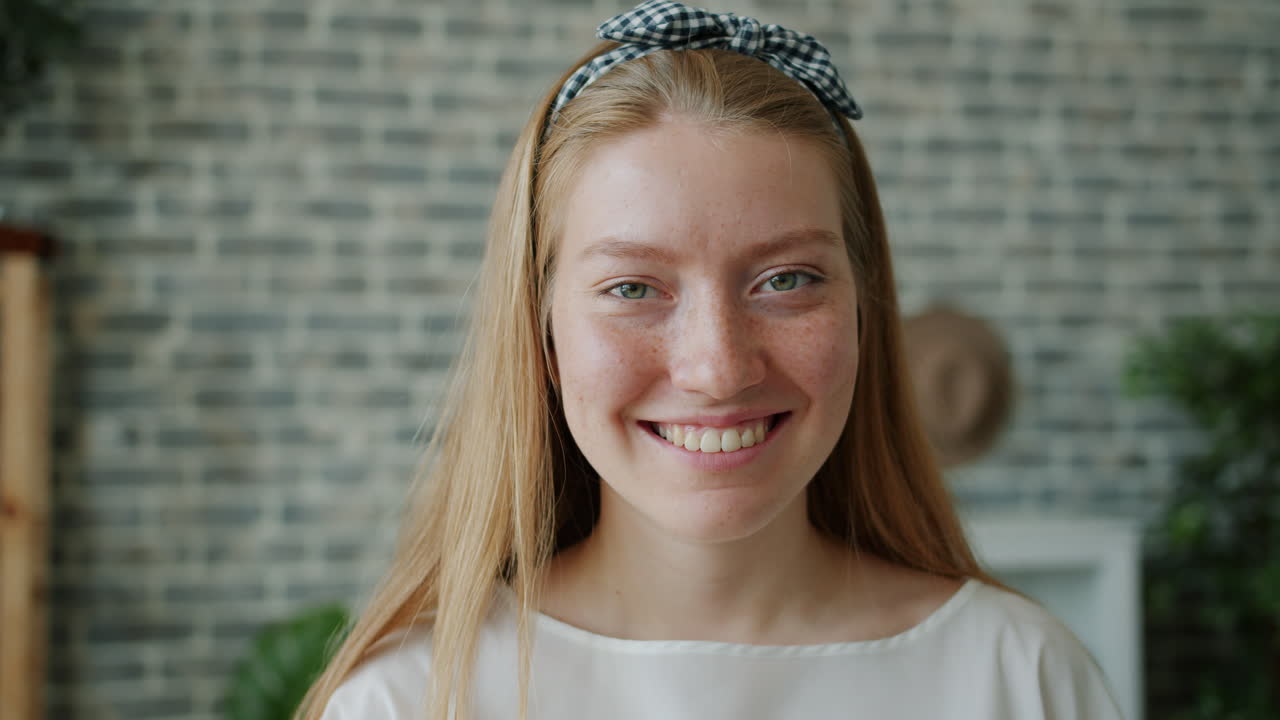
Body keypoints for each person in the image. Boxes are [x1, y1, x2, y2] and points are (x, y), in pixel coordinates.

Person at [301, 2, 1124, 719]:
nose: (717, 369)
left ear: (863, 311)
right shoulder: (407, 701)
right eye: (633, 288)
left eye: (786, 280)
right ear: (540, 334)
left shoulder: (1024, 679)